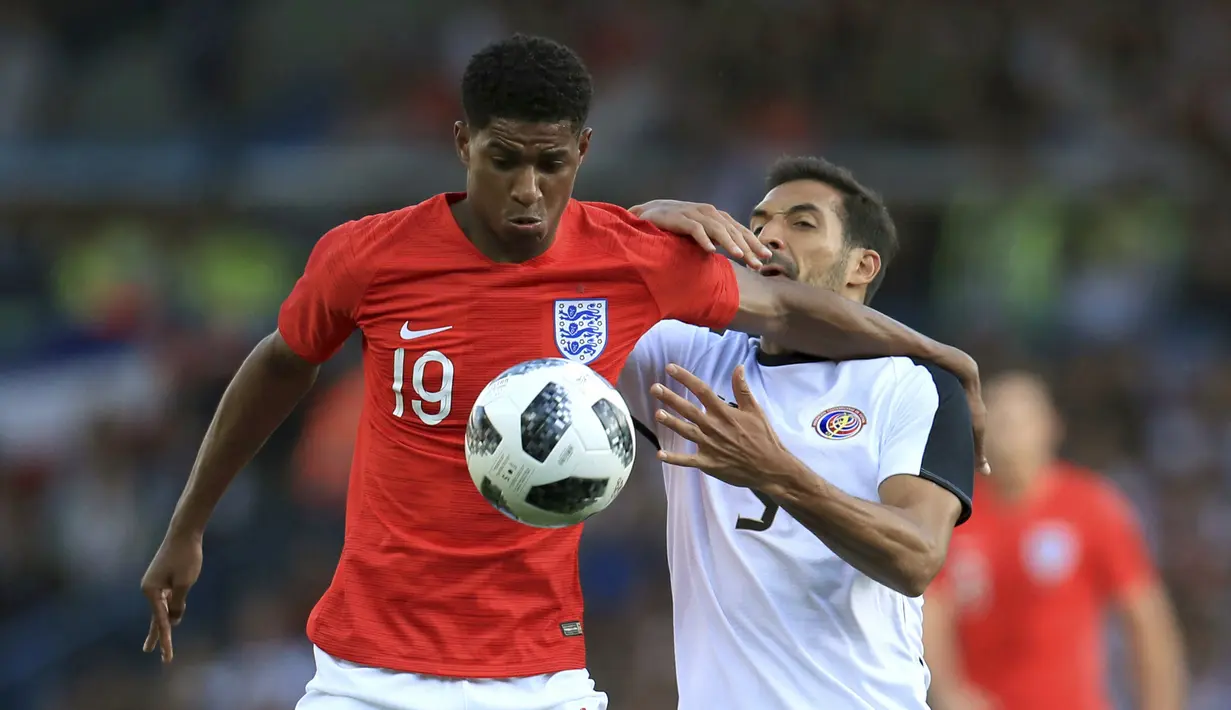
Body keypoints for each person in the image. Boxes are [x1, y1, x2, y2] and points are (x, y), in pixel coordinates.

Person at [140, 36, 985, 710]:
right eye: (504, 160)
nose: (528, 192)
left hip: (539, 679)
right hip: (366, 672)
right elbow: (281, 364)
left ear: (583, 148)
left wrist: (932, 353)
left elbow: (788, 308)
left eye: (552, 165)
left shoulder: (629, 261)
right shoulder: (367, 257)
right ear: (462, 141)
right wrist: (188, 525)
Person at [618, 156, 976, 709]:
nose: (768, 236)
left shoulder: (912, 386)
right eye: (759, 222)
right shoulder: (686, 356)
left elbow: (917, 558)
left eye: (801, 223)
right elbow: (559, 286)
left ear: (862, 265)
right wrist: (641, 224)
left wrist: (776, 473)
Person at [923, 371, 1187, 710]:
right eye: (998, 420)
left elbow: (1145, 617)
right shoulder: (956, 511)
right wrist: (948, 690)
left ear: (1051, 426)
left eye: (1020, 421)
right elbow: (933, 608)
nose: (1009, 434)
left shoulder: (1091, 506)